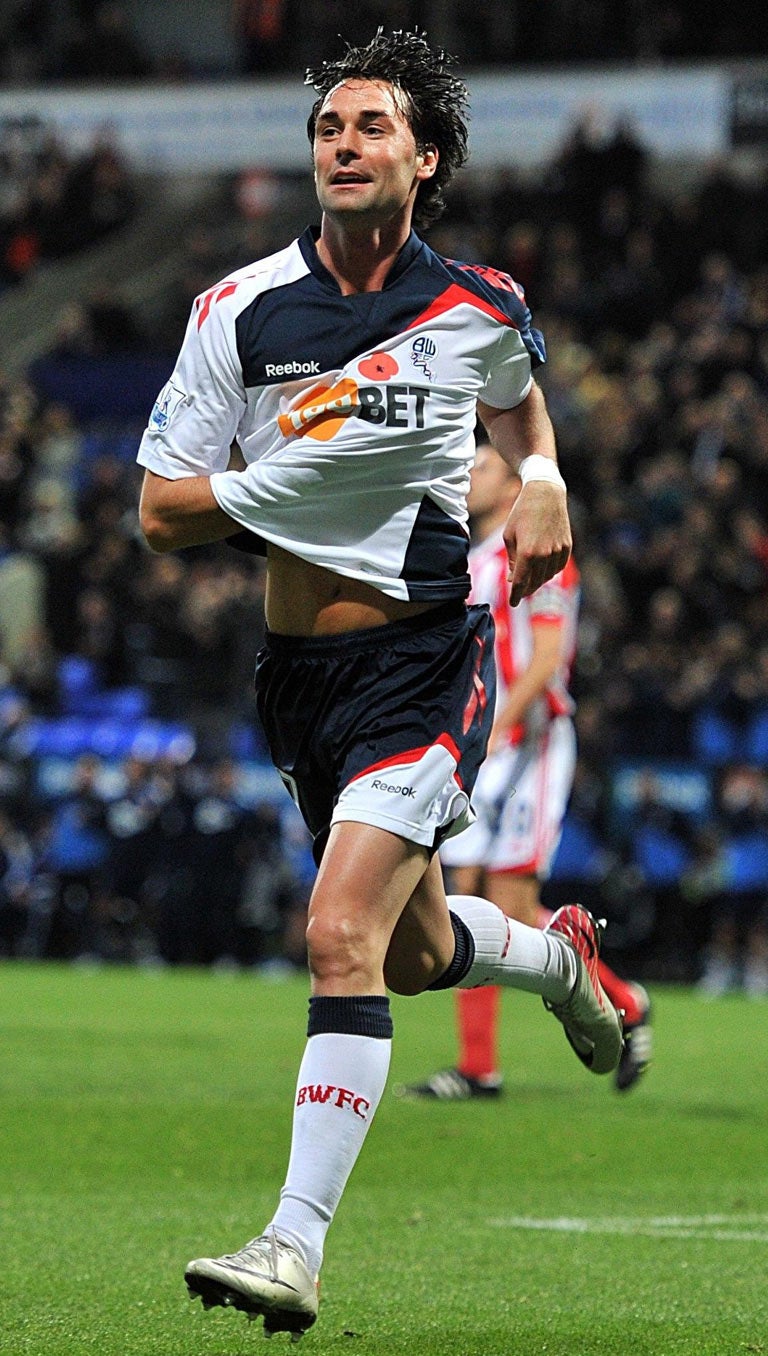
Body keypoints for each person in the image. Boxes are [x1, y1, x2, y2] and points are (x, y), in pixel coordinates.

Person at [136, 30, 623, 1339]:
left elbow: (521, 411)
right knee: (409, 956)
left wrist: (547, 487)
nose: (343, 144)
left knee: (337, 932)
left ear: (426, 157)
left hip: (424, 659)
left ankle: (292, 1246)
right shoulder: (239, 313)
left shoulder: (479, 307)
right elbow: (156, 512)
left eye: (371, 128)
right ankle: (557, 963)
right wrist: (262, 488)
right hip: (299, 677)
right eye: (327, 127)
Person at [398, 444, 652, 1102]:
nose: (467, 476)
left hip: (528, 744)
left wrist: (495, 727)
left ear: (516, 480)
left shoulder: (538, 555)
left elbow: (546, 661)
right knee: (472, 892)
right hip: (490, 741)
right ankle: (485, 1063)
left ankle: (617, 1002)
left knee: (501, 901)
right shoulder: (476, 560)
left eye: (480, 466)